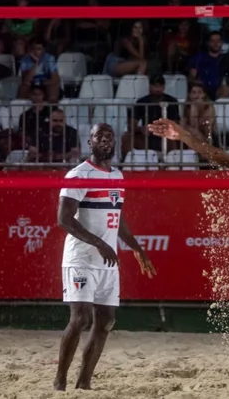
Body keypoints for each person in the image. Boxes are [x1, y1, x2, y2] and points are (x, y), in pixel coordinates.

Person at [54, 123, 156, 391]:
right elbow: (63, 219)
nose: (106, 140)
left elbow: (118, 219)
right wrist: (99, 243)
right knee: (80, 319)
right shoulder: (79, 174)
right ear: (90, 142)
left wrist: (137, 248)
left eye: (110, 136)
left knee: (107, 321)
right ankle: (60, 382)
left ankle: (84, 383)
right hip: (82, 258)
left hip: (107, 260)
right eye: (100, 136)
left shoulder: (117, 176)